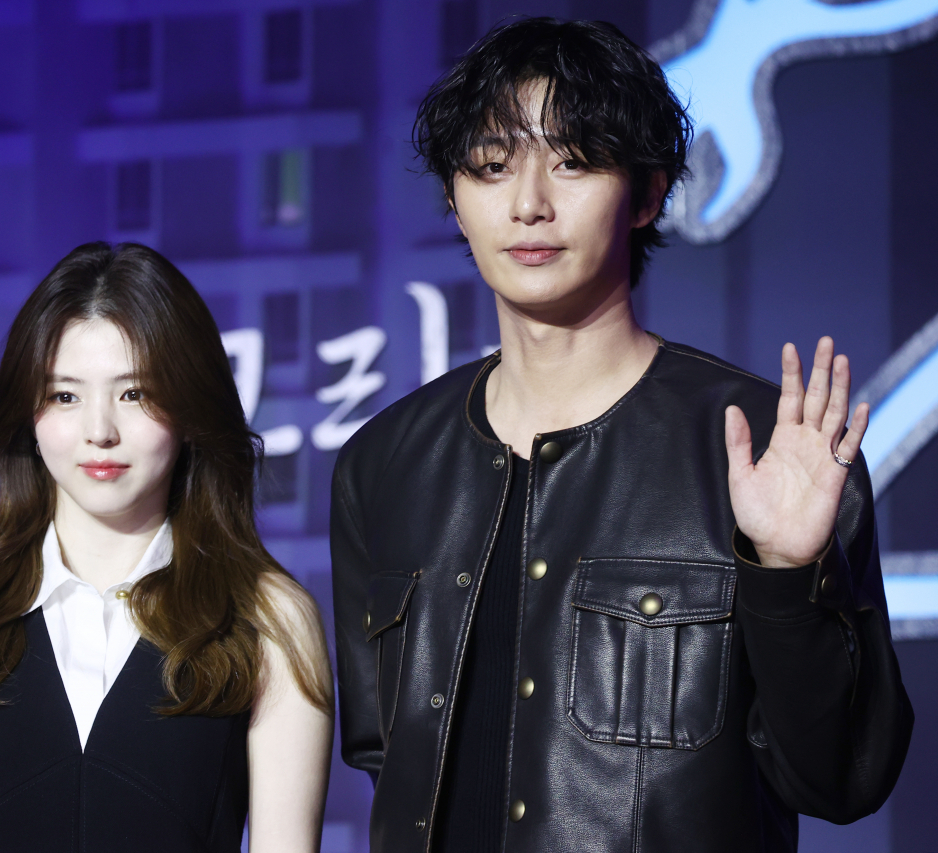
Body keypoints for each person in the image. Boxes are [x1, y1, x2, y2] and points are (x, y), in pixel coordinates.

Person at [329, 18, 912, 853]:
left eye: (573, 161)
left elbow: (841, 779)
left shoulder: (758, 451)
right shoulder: (382, 464)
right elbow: (385, 760)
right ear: (456, 200)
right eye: (493, 166)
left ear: (647, 193)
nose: (528, 203)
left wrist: (787, 575)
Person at [0, 242, 334, 852]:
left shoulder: (267, 620)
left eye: (135, 393)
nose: (99, 430)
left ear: (189, 406)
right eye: (65, 396)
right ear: (29, 413)